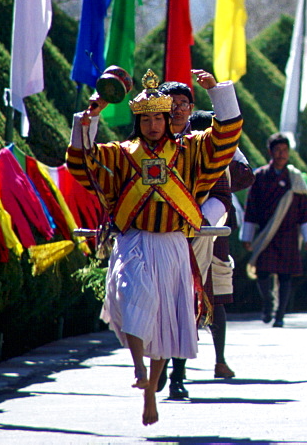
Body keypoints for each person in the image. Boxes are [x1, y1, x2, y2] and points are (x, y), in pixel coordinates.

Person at [65, 68, 242, 426]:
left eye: (159, 118)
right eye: (146, 119)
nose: (153, 125)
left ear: (167, 119)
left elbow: (226, 140)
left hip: (175, 244)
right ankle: (137, 366)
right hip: (133, 241)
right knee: (132, 298)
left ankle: (151, 391)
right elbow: (82, 163)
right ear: (139, 121)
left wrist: (217, 93)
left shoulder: (190, 150)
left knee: (167, 319)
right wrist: (88, 120)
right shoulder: (120, 154)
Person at [154, 83, 255, 399]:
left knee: (187, 304)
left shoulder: (203, 146)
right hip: (153, 234)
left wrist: (200, 220)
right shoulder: (143, 144)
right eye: (170, 103)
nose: (177, 109)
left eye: (183, 103)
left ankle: (178, 375)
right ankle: (156, 365)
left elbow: (223, 194)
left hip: (197, 234)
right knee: (155, 304)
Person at [241, 133, 307, 328]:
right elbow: (251, 207)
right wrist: (247, 236)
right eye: (278, 150)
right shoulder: (259, 177)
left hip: (289, 234)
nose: (282, 154)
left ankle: (280, 315)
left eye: (285, 150)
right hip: (266, 233)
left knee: (285, 276)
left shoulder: (295, 178)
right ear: (270, 152)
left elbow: (304, 209)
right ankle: (268, 305)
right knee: (262, 272)